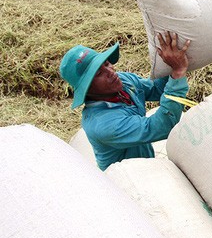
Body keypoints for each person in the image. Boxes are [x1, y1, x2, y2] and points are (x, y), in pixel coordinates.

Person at [59, 31, 190, 170]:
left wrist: (170, 63)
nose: (111, 72)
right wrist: (178, 72)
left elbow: (156, 90)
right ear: (87, 88)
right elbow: (160, 127)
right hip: (128, 178)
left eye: (107, 63)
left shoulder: (123, 81)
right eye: (99, 73)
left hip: (146, 160)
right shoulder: (104, 124)